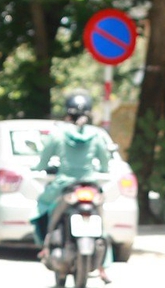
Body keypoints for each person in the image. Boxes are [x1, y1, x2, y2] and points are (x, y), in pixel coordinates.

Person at [30, 91, 118, 246]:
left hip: (64, 184)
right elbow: (105, 163)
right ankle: (103, 259)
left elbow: (43, 161)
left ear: (67, 113)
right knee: (100, 216)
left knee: (43, 203)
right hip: (90, 184)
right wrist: (103, 170)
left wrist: (38, 168)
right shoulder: (96, 134)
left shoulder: (58, 133)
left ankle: (44, 244)